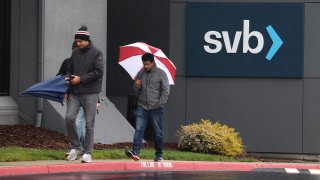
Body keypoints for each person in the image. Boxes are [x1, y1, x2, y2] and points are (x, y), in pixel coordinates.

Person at [65, 25, 104, 163]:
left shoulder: (97, 53)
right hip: (75, 93)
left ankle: (88, 152)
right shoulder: (75, 53)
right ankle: (76, 147)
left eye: (80, 41)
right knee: (69, 118)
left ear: (87, 40)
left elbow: (98, 72)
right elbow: (69, 69)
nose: (78, 43)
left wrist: (80, 79)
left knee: (89, 124)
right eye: (77, 41)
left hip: (90, 93)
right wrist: (68, 77)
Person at [125, 52, 170, 162]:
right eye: (144, 64)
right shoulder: (141, 73)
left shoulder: (161, 73)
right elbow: (136, 91)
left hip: (156, 108)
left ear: (153, 63)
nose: (145, 66)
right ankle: (135, 153)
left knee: (157, 132)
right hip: (142, 107)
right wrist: (136, 86)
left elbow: (166, 91)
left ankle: (159, 154)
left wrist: (159, 104)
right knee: (139, 129)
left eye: (148, 64)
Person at [57, 41, 86, 149]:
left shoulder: (87, 64)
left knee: (77, 122)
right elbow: (60, 77)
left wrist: (96, 100)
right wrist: (64, 91)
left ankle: (73, 148)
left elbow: (93, 81)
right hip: (72, 97)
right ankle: (82, 147)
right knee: (76, 124)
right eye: (75, 50)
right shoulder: (67, 62)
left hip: (85, 97)